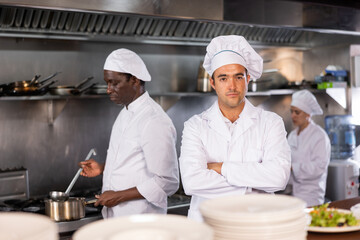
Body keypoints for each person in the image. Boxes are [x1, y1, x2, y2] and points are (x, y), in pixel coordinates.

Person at [179, 35, 292, 222]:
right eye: (223, 78)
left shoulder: (271, 122)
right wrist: (253, 185)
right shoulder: (195, 126)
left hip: (254, 225)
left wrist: (220, 167)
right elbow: (191, 182)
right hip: (208, 225)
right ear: (213, 83)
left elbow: (279, 178)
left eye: (238, 77)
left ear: (248, 79)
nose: (232, 86)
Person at [79, 48, 179, 218]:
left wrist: (118, 196)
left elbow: (167, 182)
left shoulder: (153, 120)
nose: (108, 89)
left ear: (134, 80)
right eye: (107, 83)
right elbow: (135, 159)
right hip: (119, 220)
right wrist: (103, 167)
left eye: (114, 83)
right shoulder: (125, 111)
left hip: (141, 222)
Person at [288, 90, 331, 207]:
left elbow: (319, 167)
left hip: (312, 197)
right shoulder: (292, 135)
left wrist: (293, 168)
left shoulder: (319, 136)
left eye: (297, 112)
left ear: (308, 114)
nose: (293, 116)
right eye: (291, 111)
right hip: (294, 194)